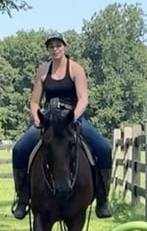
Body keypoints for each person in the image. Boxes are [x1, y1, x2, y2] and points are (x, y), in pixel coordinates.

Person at [11, 32, 113, 219]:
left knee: (104, 148)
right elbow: (34, 102)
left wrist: (74, 116)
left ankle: (103, 199)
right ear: (48, 49)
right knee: (19, 149)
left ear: (64, 47)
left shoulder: (75, 69)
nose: (55, 49)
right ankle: (23, 199)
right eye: (51, 46)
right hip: (49, 118)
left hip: (71, 118)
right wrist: (36, 117)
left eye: (58, 45)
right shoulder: (43, 70)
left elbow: (83, 98)